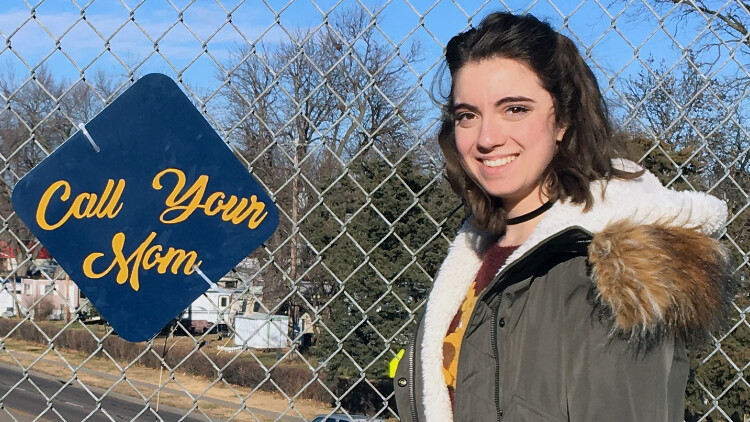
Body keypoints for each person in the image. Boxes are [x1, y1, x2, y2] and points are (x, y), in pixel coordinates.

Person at [392, 12, 734, 422]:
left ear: (564, 120)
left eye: (514, 109)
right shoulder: (471, 259)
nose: (485, 138)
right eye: (468, 115)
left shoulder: (617, 269)